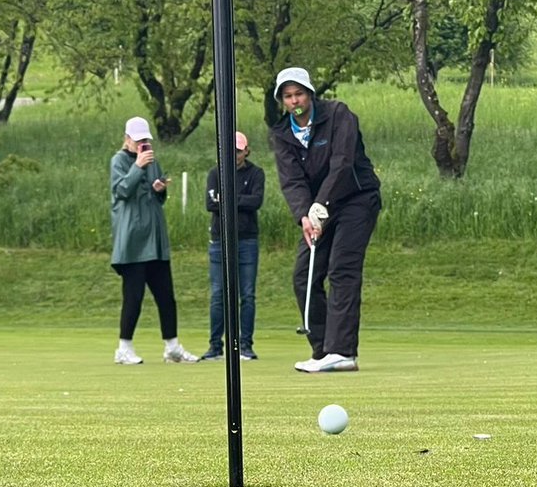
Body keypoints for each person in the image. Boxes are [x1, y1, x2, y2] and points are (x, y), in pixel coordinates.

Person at [268, 67, 381, 373]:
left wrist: (319, 206)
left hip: (357, 198)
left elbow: (341, 163)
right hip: (318, 209)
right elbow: (292, 181)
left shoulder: (338, 115)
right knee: (303, 276)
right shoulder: (282, 133)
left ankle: (342, 351)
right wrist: (304, 215)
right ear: (282, 101)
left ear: (310, 93)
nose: (295, 101)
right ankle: (322, 350)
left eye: (299, 93)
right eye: (288, 96)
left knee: (341, 269)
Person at [109, 117, 199, 365]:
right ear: (127, 139)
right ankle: (123, 348)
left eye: (145, 140)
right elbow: (122, 191)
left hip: (155, 239)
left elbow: (157, 197)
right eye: (138, 140)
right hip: (132, 241)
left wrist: (160, 188)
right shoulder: (118, 161)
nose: (143, 145)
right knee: (133, 296)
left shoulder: (153, 161)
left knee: (166, 296)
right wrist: (137, 166)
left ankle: (172, 347)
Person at [202, 131, 265, 362]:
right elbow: (211, 204)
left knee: (247, 295)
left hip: (246, 239)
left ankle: (245, 345)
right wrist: (239, 199)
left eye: (238, 151)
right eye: (230, 150)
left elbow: (256, 201)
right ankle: (215, 346)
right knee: (219, 294)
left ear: (246, 151)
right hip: (220, 240)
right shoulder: (215, 174)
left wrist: (227, 198)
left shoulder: (256, 173)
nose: (235, 155)